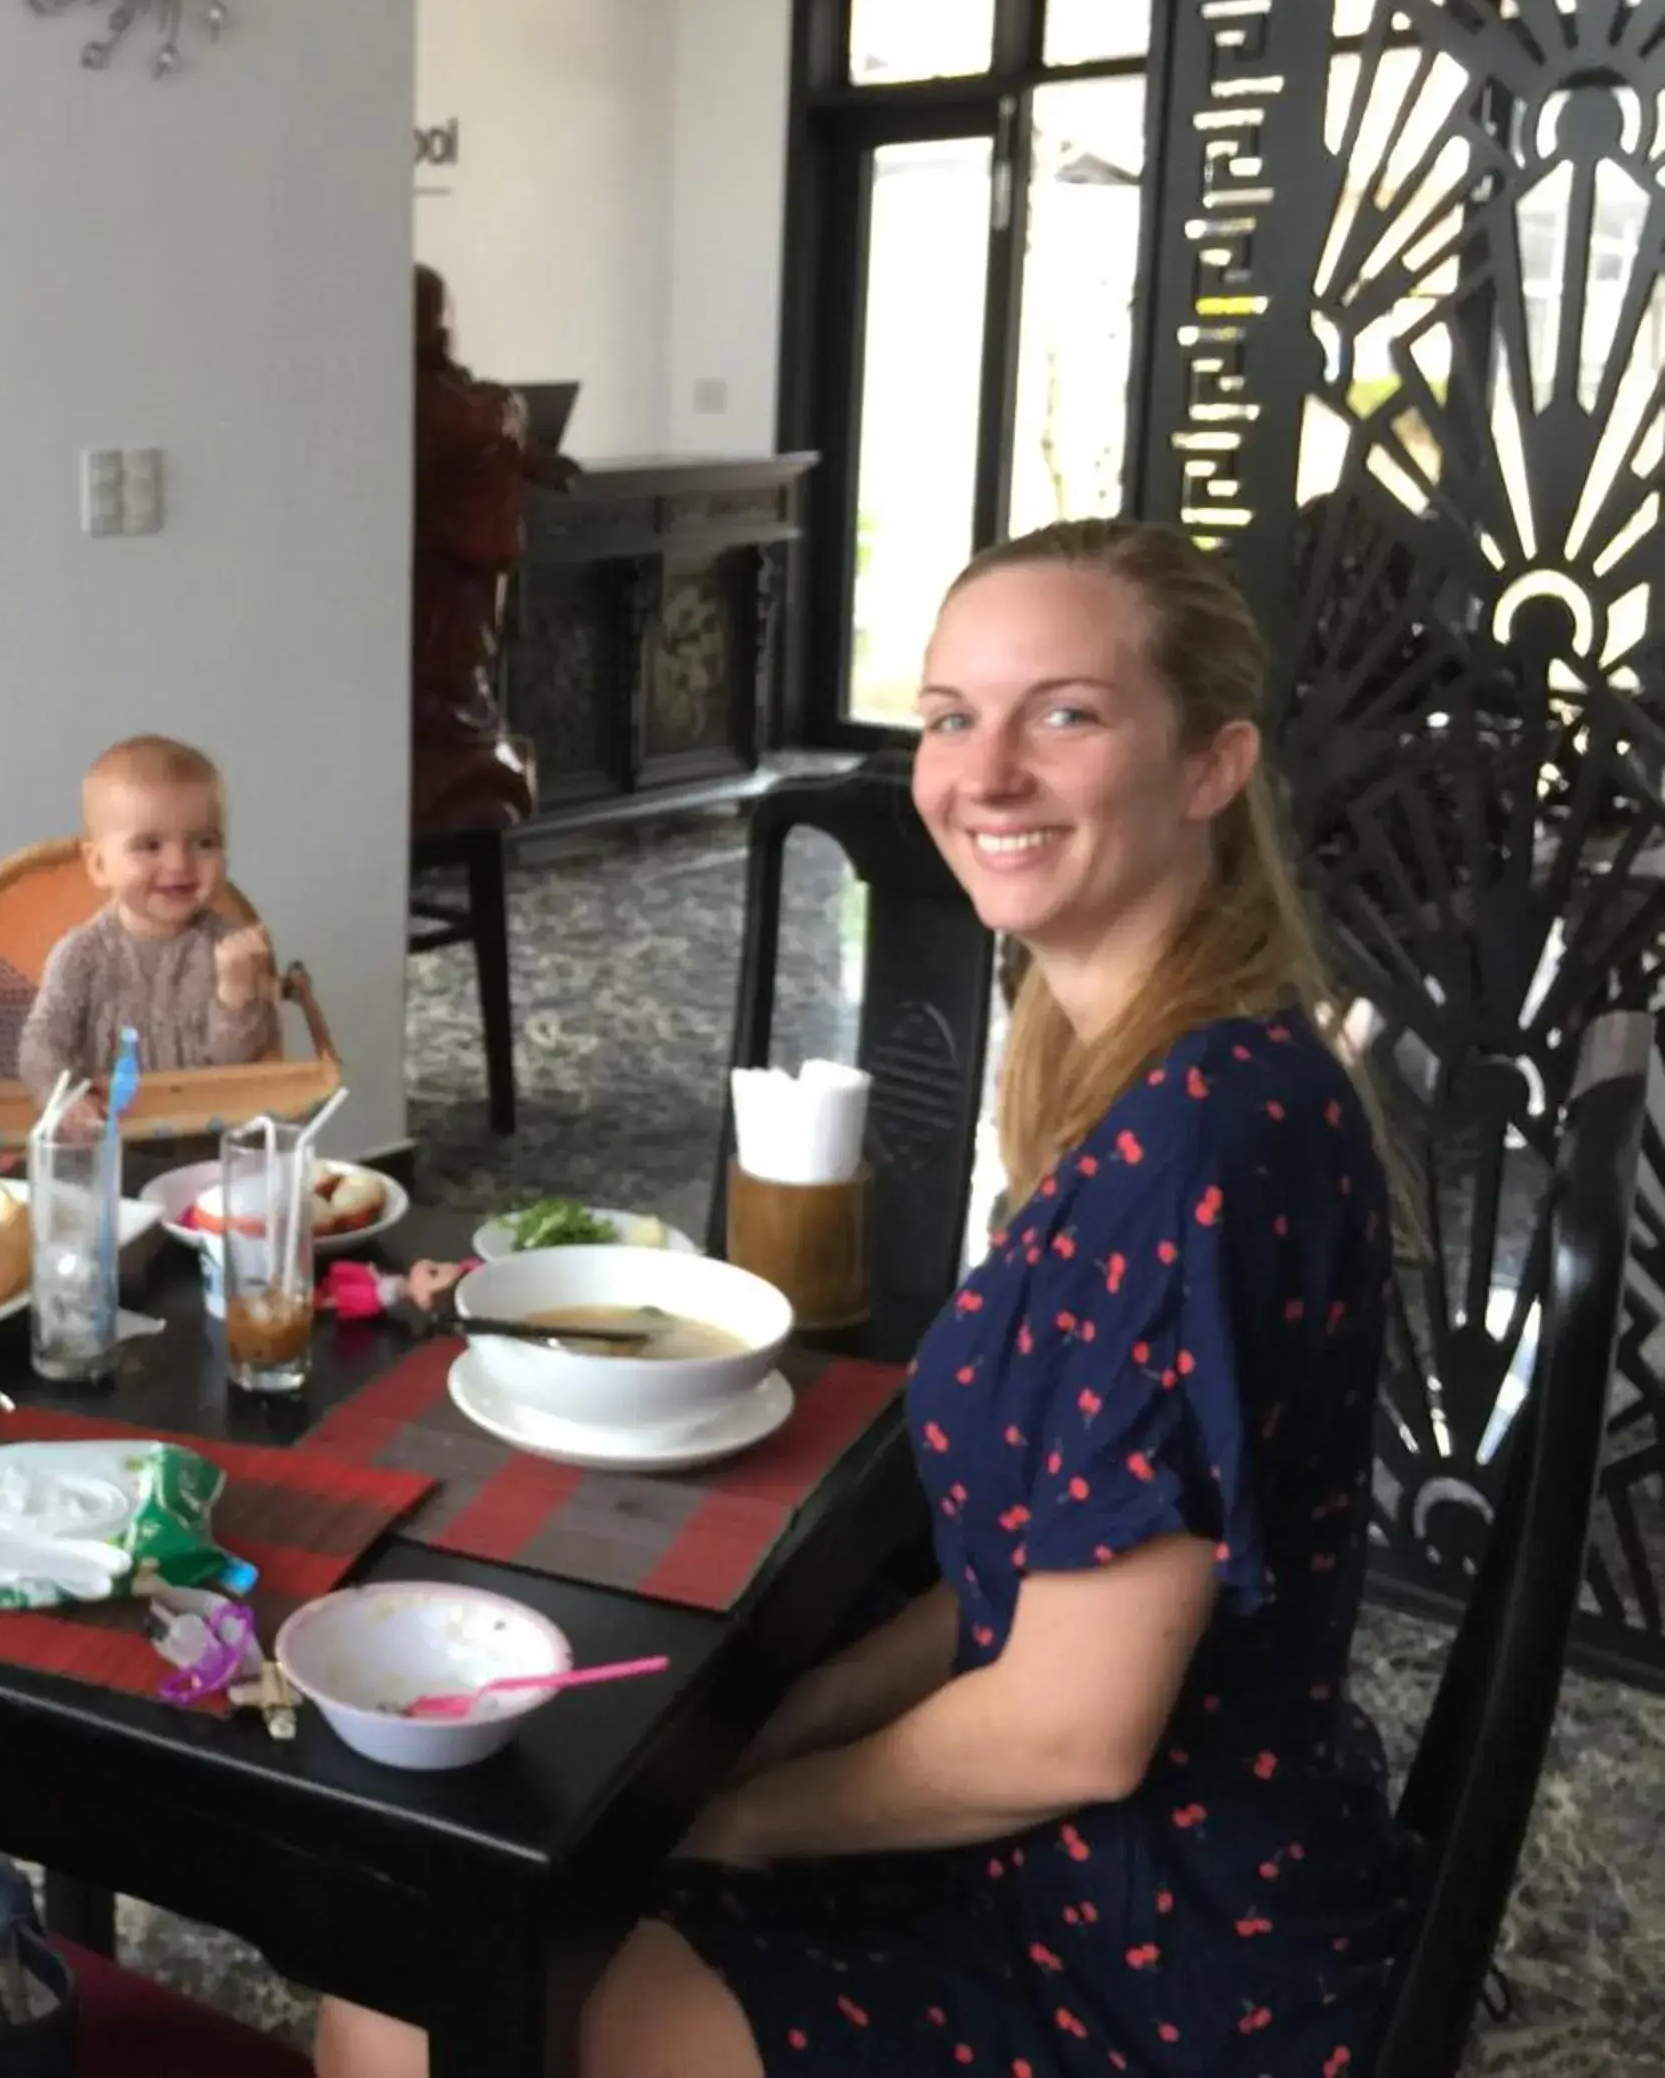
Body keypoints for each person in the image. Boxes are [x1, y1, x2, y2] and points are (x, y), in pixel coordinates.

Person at [315, 519, 1412, 2078]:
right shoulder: (1159, 1072)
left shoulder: (1206, 1133)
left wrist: (752, 1816)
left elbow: (1067, 1726)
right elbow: (1040, 1561)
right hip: (1109, 1865)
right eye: (954, 713)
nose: (986, 770)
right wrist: (798, 1712)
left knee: (412, 2000)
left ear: (1214, 765)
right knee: (457, 1931)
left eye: (1068, 712)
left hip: (1148, 1956)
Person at [15, 734, 280, 1106]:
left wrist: (236, 999)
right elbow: (41, 1046)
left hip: (205, 1142)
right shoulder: (81, 954)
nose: (179, 864)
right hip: (110, 1141)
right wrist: (66, 1100)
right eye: (150, 845)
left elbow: (239, 1072)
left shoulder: (231, 951)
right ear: (98, 864)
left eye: (204, 842)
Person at [410, 263, 559, 838]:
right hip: (432, 582)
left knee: (461, 677)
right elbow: (487, 422)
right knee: (445, 680)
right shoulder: (452, 407)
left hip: (455, 587)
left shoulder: (457, 400)